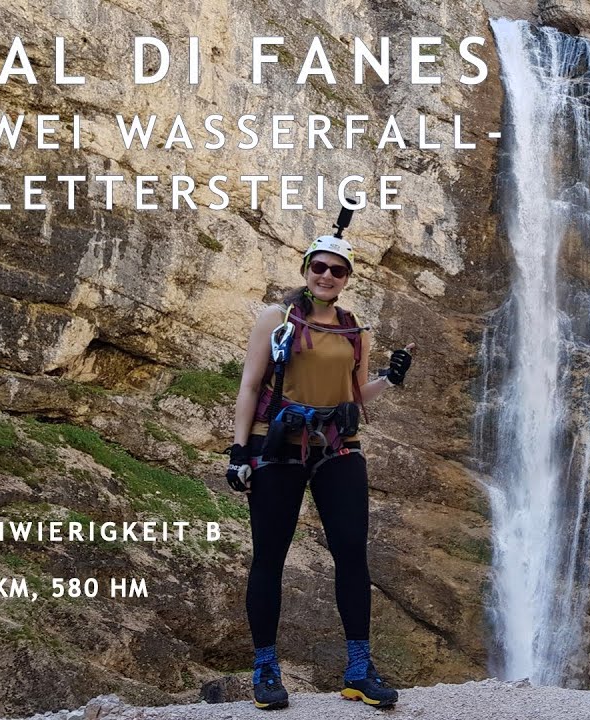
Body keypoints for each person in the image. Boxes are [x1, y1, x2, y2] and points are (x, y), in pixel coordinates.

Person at [224, 231, 414, 710]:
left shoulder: (355, 331)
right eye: (320, 267)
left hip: (338, 447)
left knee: (352, 554)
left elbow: (354, 396)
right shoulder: (277, 319)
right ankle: (266, 670)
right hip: (278, 448)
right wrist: (238, 451)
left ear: (347, 278)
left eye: (338, 270)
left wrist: (390, 379)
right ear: (307, 268)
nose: (327, 276)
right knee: (269, 557)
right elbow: (250, 386)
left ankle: (359, 670)